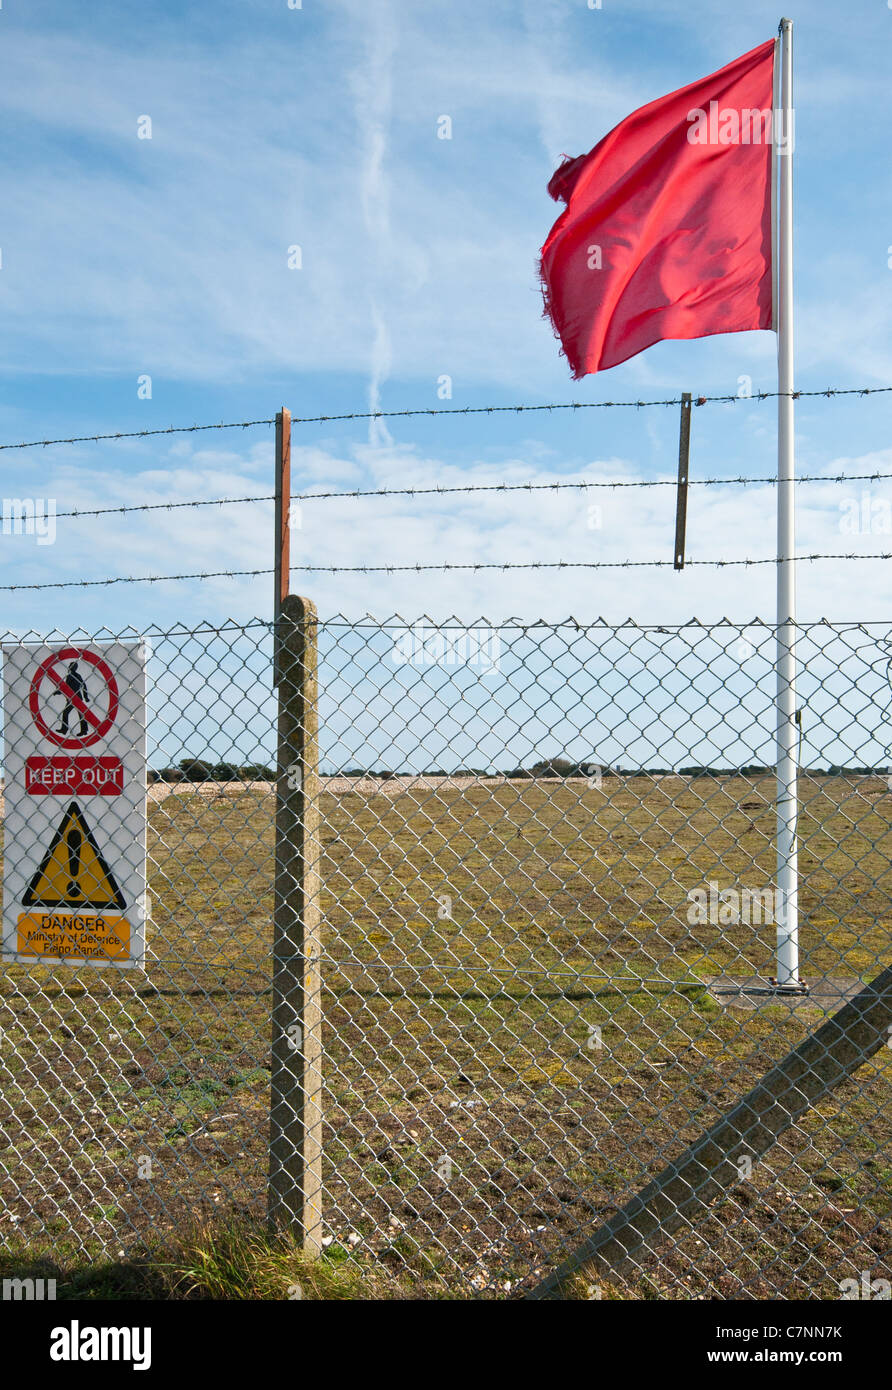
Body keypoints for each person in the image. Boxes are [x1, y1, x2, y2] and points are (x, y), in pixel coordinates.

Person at [57, 661, 90, 737]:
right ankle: (82, 730)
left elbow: (82, 686)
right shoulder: (73, 676)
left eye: (70, 666)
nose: (69, 667)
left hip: (75, 698)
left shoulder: (73, 676)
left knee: (69, 713)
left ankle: (65, 729)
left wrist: (86, 697)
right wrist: (85, 697)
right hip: (74, 698)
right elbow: (66, 687)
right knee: (80, 714)